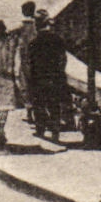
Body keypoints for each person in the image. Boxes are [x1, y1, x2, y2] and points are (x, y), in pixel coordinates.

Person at [27, 11, 69, 139]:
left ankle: (41, 129)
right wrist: (59, 72)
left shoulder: (33, 42)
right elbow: (63, 59)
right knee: (54, 103)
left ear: (38, 25)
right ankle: (55, 131)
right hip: (55, 76)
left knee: (39, 103)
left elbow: (30, 63)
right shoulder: (58, 40)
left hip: (39, 78)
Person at [14, 0, 38, 114]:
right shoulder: (38, 23)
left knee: (25, 83)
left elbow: (10, 34)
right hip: (37, 57)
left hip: (25, 57)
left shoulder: (22, 25)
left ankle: (29, 111)